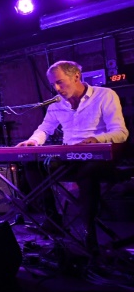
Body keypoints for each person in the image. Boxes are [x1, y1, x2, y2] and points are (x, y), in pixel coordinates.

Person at [16, 60, 129, 251]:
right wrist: (33, 141)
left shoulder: (105, 95)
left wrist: (96, 140)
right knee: (32, 164)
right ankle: (53, 219)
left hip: (100, 159)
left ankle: (88, 231)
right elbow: (45, 129)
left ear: (76, 76)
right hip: (70, 159)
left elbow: (121, 132)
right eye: (53, 84)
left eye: (60, 82)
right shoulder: (56, 105)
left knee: (87, 172)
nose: (57, 88)